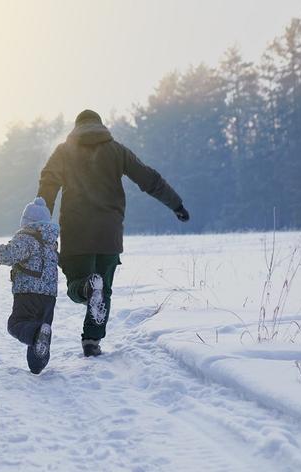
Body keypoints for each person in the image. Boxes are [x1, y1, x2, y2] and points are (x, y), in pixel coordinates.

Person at [37, 109, 189, 357]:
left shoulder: (64, 152)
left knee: (78, 286)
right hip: (109, 234)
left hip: (76, 234)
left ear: (76, 128)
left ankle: (86, 288)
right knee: (103, 289)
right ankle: (92, 342)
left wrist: (40, 222)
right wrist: (176, 204)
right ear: (100, 125)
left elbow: (48, 183)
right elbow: (149, 178)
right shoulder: (116, 150)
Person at [0, 197, 59, 374]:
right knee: (40, 333)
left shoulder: (26, 238)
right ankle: (36, 365)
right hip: (49, 297)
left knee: (17, 324)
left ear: (26, 221)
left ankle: (37, 335)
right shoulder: (51, 242)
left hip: (28, 293)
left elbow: (9, 255)